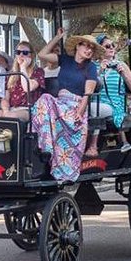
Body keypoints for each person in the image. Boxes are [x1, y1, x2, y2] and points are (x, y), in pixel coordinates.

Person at [34, 28, 102, 182]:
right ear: (77, 46)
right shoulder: (65, 60)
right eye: (85, 45)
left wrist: (80, 112)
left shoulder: (91, 67)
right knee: (44, 99)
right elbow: (42, 55)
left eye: (91, 47)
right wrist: (57, 38)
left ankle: (60, 165)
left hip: (75, 105)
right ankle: (46, 146)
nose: (88, 49)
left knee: (46, 99)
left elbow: (88, 93)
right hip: (60, 102)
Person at [86, 34, 131, 156]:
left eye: (113, 45)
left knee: (93, 109)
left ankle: (93, 145)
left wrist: (123, 74)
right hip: (96, 101)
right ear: (100, 49)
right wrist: (100, 71)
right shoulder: (92, 66)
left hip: (115, 105)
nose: (112, 48)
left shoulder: (121, 65)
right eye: (107, 46)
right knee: (88, 107)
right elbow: (88, 87)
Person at [0, 41, 45, 121]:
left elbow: (28, 88)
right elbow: (5, 98)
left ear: (31, 55)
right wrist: (6, 111)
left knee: (10, 117)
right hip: (11, 109)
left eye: (25, 52)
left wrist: (23, 67)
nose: (21, 55)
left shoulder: (38, 72)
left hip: (29, 110)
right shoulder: (11, 75)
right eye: (18, 52)